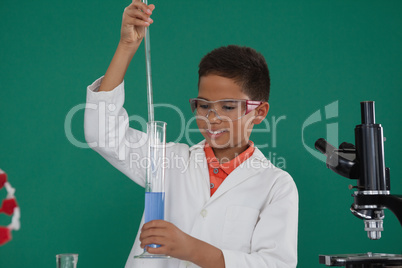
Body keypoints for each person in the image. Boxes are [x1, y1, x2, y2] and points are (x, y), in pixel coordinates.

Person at [84, 1, 298, 267]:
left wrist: (191, 249)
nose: (212, 118)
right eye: (204, 105)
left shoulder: (276, 185)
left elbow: (274, 264)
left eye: (228, 107)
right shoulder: (168, 161)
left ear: (260, 112)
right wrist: (127, 46)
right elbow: (102, 133)